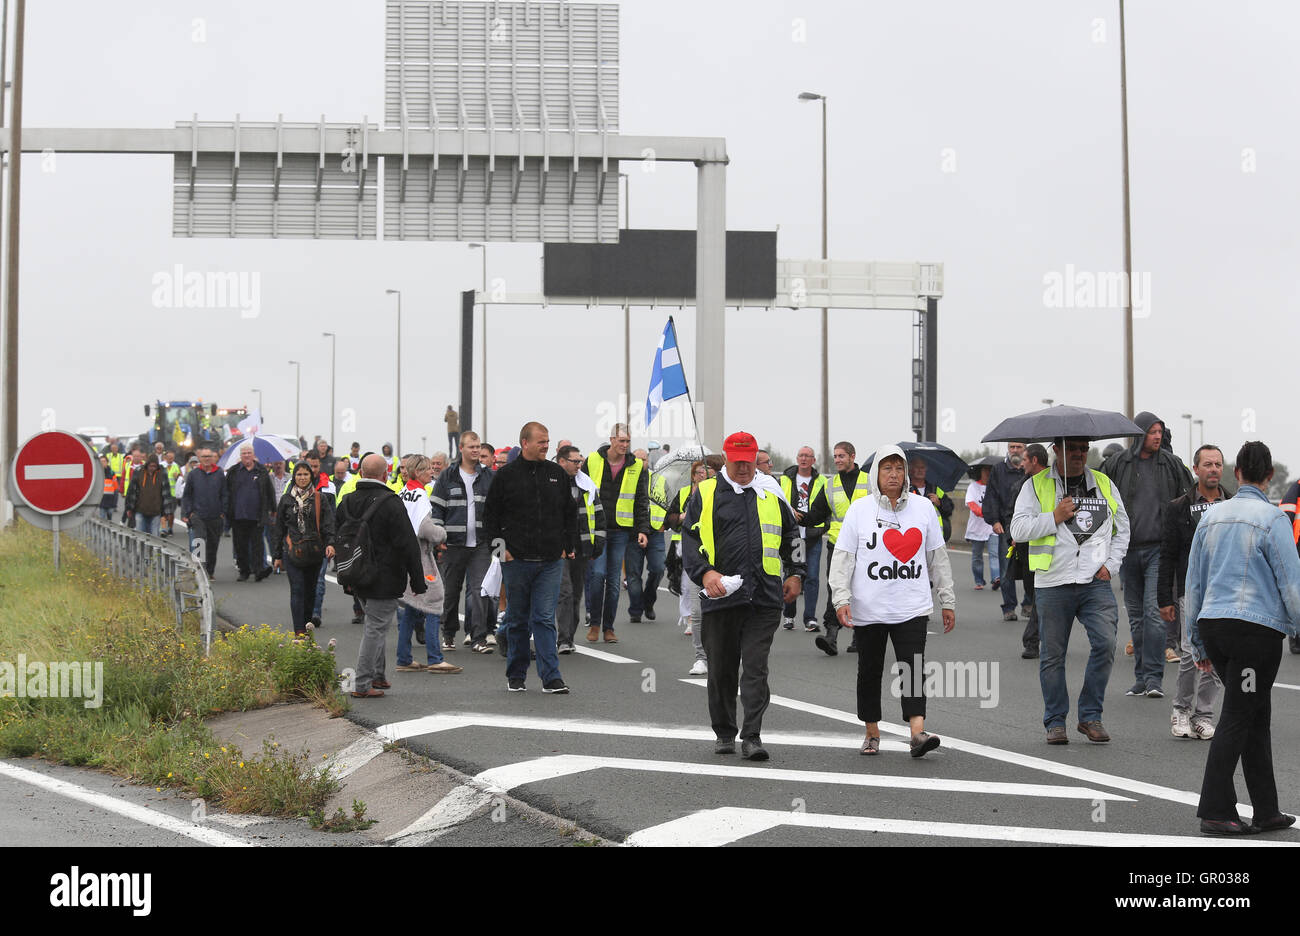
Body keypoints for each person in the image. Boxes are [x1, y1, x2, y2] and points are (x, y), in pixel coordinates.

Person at [1186, 441, 1300, 836]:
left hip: (1214, 628)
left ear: (1237, 473)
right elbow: (1292, 584)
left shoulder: (1211, 517)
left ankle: (1267, 809)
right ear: (1269, 476)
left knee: (1254, 714)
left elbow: (1194, 581)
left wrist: (1195, 640)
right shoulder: (1272, 519)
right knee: (1239, 714)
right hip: (1255, 633)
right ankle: (1215, 810)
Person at [681, 431, 805, 761]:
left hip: (763, 596)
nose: (743, 469)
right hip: (721, 596)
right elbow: (690, 541)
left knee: (755, 667)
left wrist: (795, 573)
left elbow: (792, 535)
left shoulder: (770, 491)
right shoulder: (706, 494)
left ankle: (752, 735)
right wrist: (706, 573)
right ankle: (724, 731)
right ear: (726, 459)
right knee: (721, 668)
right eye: (736, 463)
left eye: (748, 462)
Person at [831, 444, 956, 756]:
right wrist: (840, 597)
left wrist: (947, 599)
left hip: (911, 605)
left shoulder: (924, 508)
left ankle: (917, 731)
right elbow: (843, 559)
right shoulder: (859, 511)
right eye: (887, 468)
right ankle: (872, 731)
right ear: (876, 473)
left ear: (906, 474)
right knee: (869, 670)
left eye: (899, 468)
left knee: (913, 668)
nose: (894, 474)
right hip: (869, 607)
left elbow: (937, 558)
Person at [1011, 436, 1129, 744]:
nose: (1078, 454)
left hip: (1095, 582)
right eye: (1071, 449)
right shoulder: (1034, 486)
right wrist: (1055, 517)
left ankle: (1090, 716)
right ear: (1056, 451)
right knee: (1052, 656)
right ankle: (1055, 721)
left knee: (1105, 644)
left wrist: (1111, 565)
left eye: (1083, 449)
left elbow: (1122, 528)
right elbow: (1019, 530)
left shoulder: (1104, 483)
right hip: (1053, 581)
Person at [1101, 413, 1193, 697]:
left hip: (1159, 551)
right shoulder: (1118, 464)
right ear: (1139, 433)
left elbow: (1188, 499)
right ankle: (1140, 678)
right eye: (1152, 431)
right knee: (1138, 617)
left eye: (1159, 432)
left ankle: (1154, 678)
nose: (1157, 436)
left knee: (1154, 614)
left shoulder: (1172, 465)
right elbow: (1100, 496)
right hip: (1128, 550)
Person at [483, 421, 578, 693]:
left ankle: (551, 678)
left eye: (548, 441)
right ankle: (516, 675)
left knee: (545, 619)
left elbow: (569, 513)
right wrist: (501, 552)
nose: (546, 446)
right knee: (518, 619)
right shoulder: (506, 476)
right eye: (541, 441)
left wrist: (566, 545)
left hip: (550, 561)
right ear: (525, 442)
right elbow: (490, 517)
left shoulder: (556, 474)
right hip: (516, 561)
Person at [337, 454, 427, 698]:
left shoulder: (347, 501)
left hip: (355, 573)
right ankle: (363, 684)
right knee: (375, 628)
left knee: (373, 623)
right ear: (385, 474)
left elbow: (339, 536)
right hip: (385, 577)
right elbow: (408, 544)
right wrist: (418, 580)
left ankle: (378, 675)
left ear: (361, 473)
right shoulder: (390, 502)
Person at [1159, 444, 1228, 740]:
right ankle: (1181, 709)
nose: (1213, 469)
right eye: (1208, 464)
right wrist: (1165, 598)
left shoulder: (1232, 504)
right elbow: (1168, 554)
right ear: (1196, 469)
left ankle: (1203, 714)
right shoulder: (1179, 507)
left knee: (1216, 652)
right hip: (1191, 588)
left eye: (1218, 464)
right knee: (1189, 651)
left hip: (1224, 592)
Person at [795, 440, 870, 653]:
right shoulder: (830, 484)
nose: (837, 460)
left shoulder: (870, 481)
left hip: (867, 546)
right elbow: (816, 515)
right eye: (835, 456)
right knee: (835, 588)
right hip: (838, 546)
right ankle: (831, 636)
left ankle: (860, 636)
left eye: (841, 456)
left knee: (862, 590)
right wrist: (798, 517)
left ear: (852, 456)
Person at [394, 454, 462, 674]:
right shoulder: (421, 495)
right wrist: (442, 534)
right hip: (420, 557)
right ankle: (435, 658)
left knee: (413, 606)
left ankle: (404, 658)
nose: (431, 473)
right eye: (426, 470)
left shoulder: (404, 492)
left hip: (403, 556)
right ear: (417, 472)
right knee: (434, 600)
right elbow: (425, 529)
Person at [582, 424, 650, 643]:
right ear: (611, 439)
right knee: (597, 575)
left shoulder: (637, 466)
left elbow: (641, 500)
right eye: (621, 441)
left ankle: (608, 628)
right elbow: (579, 493)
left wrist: (642, 530)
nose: (624, 445)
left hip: (621, 529)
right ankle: (594, 623)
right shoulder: (592, 460)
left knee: (613, 582)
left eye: (628, 441)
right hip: (597, 528)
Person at [430, 430, 496, 653]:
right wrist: (439, 535)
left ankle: (479, 638)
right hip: (453, 544)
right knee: (451, 591)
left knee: (480, 591)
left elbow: (497, 509)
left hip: (481, 544)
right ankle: (448, 634)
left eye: (478, 447)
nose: (476, 450)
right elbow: (436, 508)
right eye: (471, 447)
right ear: (461, 449)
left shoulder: (489, 476)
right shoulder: (447, 476)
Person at [272, 463, 336, 638]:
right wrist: (277, 555)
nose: (302, 477)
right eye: (299, 474)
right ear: (294, 477)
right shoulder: (286, 499)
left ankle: (307, 629)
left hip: (314, 551)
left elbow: (328, 524)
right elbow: (279, 529)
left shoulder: (319, 498)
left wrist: (331, 543)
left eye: (305, 474)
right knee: (297, 589)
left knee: (310, 591)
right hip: (292, 551)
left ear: (311, 476)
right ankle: (299, 632)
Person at [555, 444, 605, 654]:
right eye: (575, 461)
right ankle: (563, 639)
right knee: (564, 592)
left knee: (575, 594)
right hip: (558, 549)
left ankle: (569, 636)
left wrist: (598, 543)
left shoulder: (587, 485)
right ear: (562, 462)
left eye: (580, 461)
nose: (579, 465)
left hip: (582, 547)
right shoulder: (552, 483)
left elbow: (599, 516)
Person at [668, 460, 710, 676]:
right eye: (700, 472)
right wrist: (683, 517)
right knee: (697, 610)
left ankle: (725, 655)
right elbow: (671, 518)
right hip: (692, 554)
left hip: (718, 560)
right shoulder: (687, 493)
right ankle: (701, 658)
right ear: (693, 476)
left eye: (708, 471)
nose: (704, 475)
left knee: (722, 612)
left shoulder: (720, 493)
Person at [779, 446, 827, 630]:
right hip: (793, 536)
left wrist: (824, 525)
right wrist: (790, 511)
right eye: (801, 455)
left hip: (812, 534)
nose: (804, 458)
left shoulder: (822, 480)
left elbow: (826, 505)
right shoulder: (785, 479)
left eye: (808, 456)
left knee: (812, 577)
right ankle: (789, 615)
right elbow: (777, 500)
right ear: (797, 458)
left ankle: (810, 618)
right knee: (792, 574)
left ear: (814, 460)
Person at [982, 441, 1029, 622]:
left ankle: (1028, 604)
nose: (1015, 450)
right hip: (1005, 526)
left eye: (1019, 447)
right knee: (1006, 569)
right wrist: (994, 520)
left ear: (1024, 449)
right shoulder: (998, 470)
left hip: (1028, 526)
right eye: (1012, 447)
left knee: (1029, 568)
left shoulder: (1029, 470)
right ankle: (1009, 607)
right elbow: (991, 496)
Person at [1012, 444, 1050, 658]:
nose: (1022, 463)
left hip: (1048, 550)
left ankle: (1032, 640)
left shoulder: (1056, 484)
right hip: (1026, 547)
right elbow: (1015, 514)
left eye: (1025, 459)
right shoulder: (1024, 485)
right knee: (1034, 595)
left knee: (1039, 598)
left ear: (1035, 460)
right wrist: (1014, 536)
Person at [625, 450, 668, 624]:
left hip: (655, 531)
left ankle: (648, 602)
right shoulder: (626, 478)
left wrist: (666, 521)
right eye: (638, 459)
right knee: (633, 574)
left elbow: (669, 502)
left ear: (648, 460)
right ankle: (636, 609)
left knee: (658, 569)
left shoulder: (659, 479)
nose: (641, 462)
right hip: (632, 533)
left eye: (644, 459)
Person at [224, 443, 275, 582]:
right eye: (244, 453)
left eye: (249, 453)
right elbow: (226, 491)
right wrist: (226, 510)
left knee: (257, 546)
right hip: (238, 515)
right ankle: (244, 571)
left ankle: (259, 571)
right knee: (240, 546)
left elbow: (269, 491)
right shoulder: (233, 471)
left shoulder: (262, 470)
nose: (246, 455)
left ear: (253, 455)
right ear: (240, 456)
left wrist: (273, 509)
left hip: (257, 516)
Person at [181, 445, 228, 578]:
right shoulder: (194, 474)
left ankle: (210, 571)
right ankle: (199, 571)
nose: (207, 459)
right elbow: (187, 495)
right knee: (199, 542)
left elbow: (225, 494)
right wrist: (187, 513)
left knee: (213, 545)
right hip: (198, 515)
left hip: (215, 516)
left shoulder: (219, 473)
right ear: (200, 458)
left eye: (209, 456)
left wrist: (223, 511)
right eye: (204, 457)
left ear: (213, 458)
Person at [965, 464, 997, 589]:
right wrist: (986, 513)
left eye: (990, 470)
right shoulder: (973, 487)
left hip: (992, 526)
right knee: (977, 556)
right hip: (977, 528)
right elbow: (972, 505)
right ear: (981, 472)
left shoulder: (995, 487)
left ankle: (996, 578)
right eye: (986, 470)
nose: (988, 473)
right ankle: (979, 581)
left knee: (994, 554)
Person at [907, 457, 954, 542]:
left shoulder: (935, 488)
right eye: (917, 467)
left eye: (922, 467)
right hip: (913, 537)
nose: (920, 470)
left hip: (935, 537)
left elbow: (949, 510)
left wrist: (939, 503)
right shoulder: (905, 489)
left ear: (926, 470)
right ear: (910, 470)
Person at [125, 454, 174, 536]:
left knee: (154, 538)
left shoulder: (162, 473)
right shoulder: (138, 471)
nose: (152, 468)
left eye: (155, 466)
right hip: (140, 510)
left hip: (156, 511)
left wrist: (168, 512)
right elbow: (131, 491)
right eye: (151, 466)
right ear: (147, 464)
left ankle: (153, 549)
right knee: (140, 537)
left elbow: (166, 493)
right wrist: (129, 508)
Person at [265, 460, 291, 574]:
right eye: (276, 463)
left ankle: (285, 562)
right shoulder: (268, 478)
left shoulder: (290, 478)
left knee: (287, 538)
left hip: (288, 512)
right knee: (274, 539)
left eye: (280, 463)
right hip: (274, 513)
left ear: (284, 464)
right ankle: (276, 561)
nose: (278, 465)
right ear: (272, 465)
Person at [97, 455, 120, 521]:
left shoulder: (112, 473)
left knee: (109, 517)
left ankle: (109, 530)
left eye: (104, 461)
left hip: (110, 500)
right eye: (101, 461)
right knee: (102, 518)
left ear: (107, 462)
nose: (102, 463)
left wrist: (115, 503)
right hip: (102, 501)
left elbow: (115, 488)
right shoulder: (97, 473)